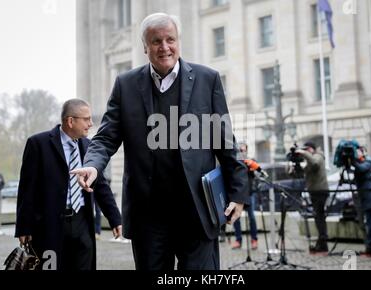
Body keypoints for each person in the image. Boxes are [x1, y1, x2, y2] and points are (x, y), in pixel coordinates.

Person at [71, 13, 248, 270]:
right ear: (144, 47)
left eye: (170, 39)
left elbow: (224, 140)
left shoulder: (207, 79)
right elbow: (106, 137)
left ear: (178, 41)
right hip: (149, 216)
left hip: (197, 211)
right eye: (156, 41)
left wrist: (238, 193)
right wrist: (93, 165)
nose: (164, 47)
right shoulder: (125, 84)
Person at [15, 99, 122, 270]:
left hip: (82, 224)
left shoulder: (89, 147)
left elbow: (100, 186)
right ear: (70, 121)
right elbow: (27, 189)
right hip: (49, 226)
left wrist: (115, 218)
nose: (91, 123)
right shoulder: (38, 144)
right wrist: (23, 227)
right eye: (86, 119)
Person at [296, 141, 329, 254]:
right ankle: (322, 242)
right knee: (318, 217)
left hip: (320, 191)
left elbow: (314, 163)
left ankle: (323, 243)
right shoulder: (311, 159)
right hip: (314, 191)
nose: (305, 152)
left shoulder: (318, 156)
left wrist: (303, 153)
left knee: (319, 217)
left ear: (311, 149)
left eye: (306, 150)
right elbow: (304, 172)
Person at [351, 146, 371, 257]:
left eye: (358, 152)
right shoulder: (360, 163)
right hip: (365, 196)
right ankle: (369, 245)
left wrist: (352, 161)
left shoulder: (368, 162)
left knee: (370, 221)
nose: (356, 153)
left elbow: (361, 169)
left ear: (364, 153)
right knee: (367, 221)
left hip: (370, 196)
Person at [231, 144, 259, 250]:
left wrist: (248, 164)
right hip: (239, 194)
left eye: (243, 150)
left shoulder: (250, 161)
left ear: (246, 151)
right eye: (240, 150)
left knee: (251, 217)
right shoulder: (235, 162)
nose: (242, 152)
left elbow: (255, 171)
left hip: (250, 193)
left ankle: (254, 239)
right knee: (236, 218)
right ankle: (238, 240)